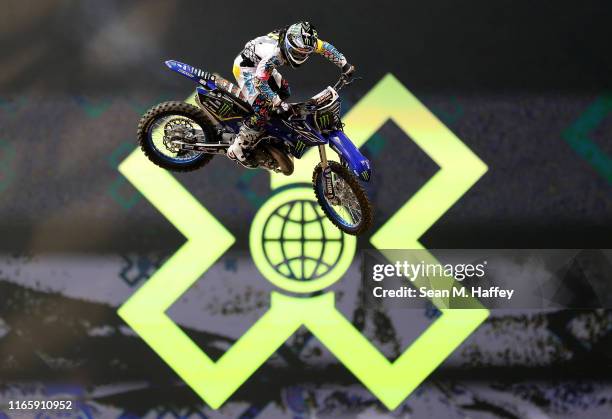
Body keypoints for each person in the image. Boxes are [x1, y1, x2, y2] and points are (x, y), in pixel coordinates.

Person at [227, 21, 355, 162]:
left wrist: (344, 64)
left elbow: (324, 47)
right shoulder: (274, 55)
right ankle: (238, 146)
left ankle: (270, 130)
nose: (300, 57)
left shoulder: (303, 40)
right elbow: (259, 81)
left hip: (261, 65)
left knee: (285, 91)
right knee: (263, 109)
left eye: (305, 54)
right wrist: (276, 101)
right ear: (288, 45)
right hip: (247, 69)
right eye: (297, 53)